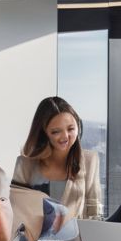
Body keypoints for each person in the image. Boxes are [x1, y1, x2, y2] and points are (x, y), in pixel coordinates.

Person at [12, 96, 102, 225]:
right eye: (55, 132)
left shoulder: (89, 160)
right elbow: (15, 212)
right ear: (44, 133)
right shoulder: (25, 164)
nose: (65, 136)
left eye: (71, 129)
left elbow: (94, 214)